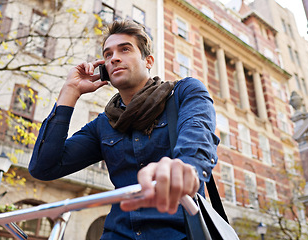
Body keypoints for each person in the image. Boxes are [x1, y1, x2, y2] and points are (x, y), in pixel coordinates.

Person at [28, 20, 219, 239]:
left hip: (181, 232)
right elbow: (43, 167)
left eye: (125, 49)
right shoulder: (103, 124)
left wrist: (185, 168)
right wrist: (70, 91)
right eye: (107, 54)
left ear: (148, 61)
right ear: (105, 70)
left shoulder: (184, 93)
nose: (114, 58)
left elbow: (199, 137)